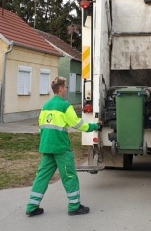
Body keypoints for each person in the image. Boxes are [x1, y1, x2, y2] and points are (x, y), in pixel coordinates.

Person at [26, 76, 100, 217]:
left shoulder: (45, 106)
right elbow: (78, 124)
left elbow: (41, 126)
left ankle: (32, 206)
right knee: (69, 176)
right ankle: (74, 206)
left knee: (42, 176)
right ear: (60, 89)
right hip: (60, 147)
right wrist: (95, 126)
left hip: (47, 147)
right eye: (66, 87)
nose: (67, 89)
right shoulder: (65, 106)